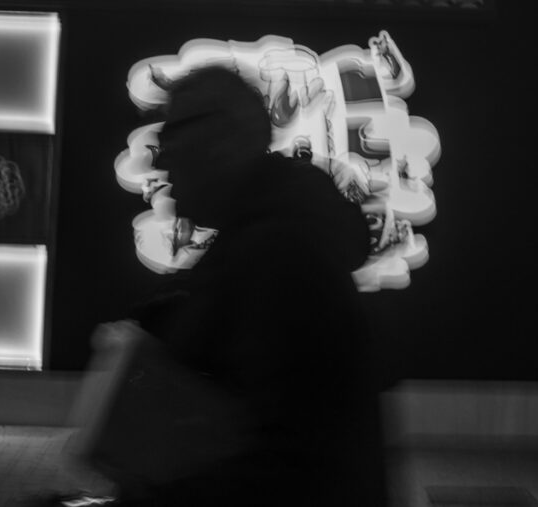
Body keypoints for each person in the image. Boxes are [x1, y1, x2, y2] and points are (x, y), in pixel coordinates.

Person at [88, 66, 387, 506]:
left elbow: (287, 467)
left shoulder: (282, 258)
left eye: (172, 135)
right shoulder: (264, 242)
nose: (161, 158)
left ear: (226, 137)